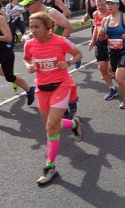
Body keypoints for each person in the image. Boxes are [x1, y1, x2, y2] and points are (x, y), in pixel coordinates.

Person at [22, 12, 84, 185]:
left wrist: (69, 63)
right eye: (31, 26)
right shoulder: (29, 45)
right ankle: (74, 124)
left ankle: (50, 166)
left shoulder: (60, 41)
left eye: (37, 27)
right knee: (51, 128)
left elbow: (78, 54)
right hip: (42, 89)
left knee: (51, 127)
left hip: (61, 85)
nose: (33, 30)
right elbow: (26, 59)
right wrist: (28, 66)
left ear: (47, 27)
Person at [89, 0, 118, 100]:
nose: (100, 7)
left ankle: (121, 75)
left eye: (102, 4)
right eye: (98, 5)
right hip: (100, 43)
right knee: (101, 67)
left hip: (111, 42)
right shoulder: (95, 14)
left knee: (111, 67)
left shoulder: (112, 14)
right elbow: (95, 28)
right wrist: (92, 40)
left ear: (106, 4)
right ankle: (112, 89)